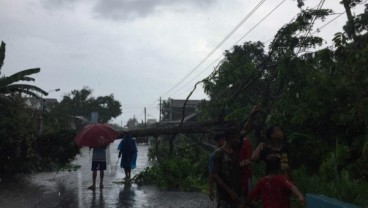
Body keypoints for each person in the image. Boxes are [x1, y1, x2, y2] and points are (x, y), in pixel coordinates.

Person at [212, 129, 243, 208]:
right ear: (230, 138)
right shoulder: (218, 153)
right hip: (224, 195)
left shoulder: (234, 151)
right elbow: (215, 175)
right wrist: (230, 192)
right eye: (236, 138)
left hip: (236, 193)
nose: (238, 141)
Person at [238, 105, 261, 198]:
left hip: (245, 175)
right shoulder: (237, 142)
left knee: (247, 197)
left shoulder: (245, 141)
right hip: (236, 176)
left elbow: (249, 159)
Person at [208, 132, 226, 201]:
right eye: (222, 140)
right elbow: (211, 173)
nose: (224, 142)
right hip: (220, 186)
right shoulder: (214, 155)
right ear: (218, 142)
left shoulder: (232, 152)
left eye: (225, 140)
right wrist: (210, 189)